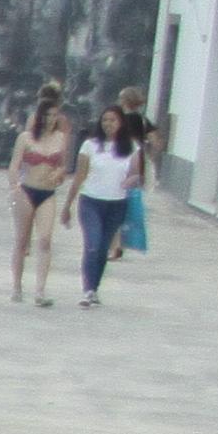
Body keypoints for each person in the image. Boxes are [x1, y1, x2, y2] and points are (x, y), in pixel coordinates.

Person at [6, 99, 78, 302]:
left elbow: (64, 166)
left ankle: (40, 290)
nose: (50, 119)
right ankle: (17, 287)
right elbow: (14, 165)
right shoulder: (26, 138)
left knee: (45, 239)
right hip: (27, 190)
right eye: (46, 115)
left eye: (54, 115)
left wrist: (59, 173)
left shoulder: (60, 138)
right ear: (39, 117)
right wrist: (14, 187)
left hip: (47, 192)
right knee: (21, 240)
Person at [75, 110, 144, 306]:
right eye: (104, 119)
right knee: (93, 244)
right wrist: (68, 203)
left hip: (116, 204)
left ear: (121, 123)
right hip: (90, 201)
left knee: (103, 247)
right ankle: (87, 289)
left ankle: (94, 289)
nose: (108, 124)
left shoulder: (131, 146)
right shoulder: (90, 145)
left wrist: (130, 181)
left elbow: (136, 173)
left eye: (112, 120)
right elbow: (80, 175)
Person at [110, 84, 161, 253]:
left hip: (120, 162)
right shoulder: (142, 120)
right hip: (137, 163)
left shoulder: (118, 120)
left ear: (124, 100)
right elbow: (156, 142)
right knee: (127, 202)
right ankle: (120, 242)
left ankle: (115, 245)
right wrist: (149, 156)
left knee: (114, 203)